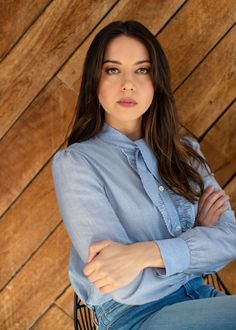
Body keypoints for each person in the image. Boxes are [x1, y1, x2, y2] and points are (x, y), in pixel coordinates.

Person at [51, 20, 236, 329]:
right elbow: (121, 284)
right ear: (94, 80)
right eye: (112, 69)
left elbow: (229, 241)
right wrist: (195, 241)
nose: (128, 84)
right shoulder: (76, 163)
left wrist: (142, 254)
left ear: (156, 80)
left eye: (142, 70)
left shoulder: (186, 151)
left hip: (200, 297)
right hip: (135, 316)